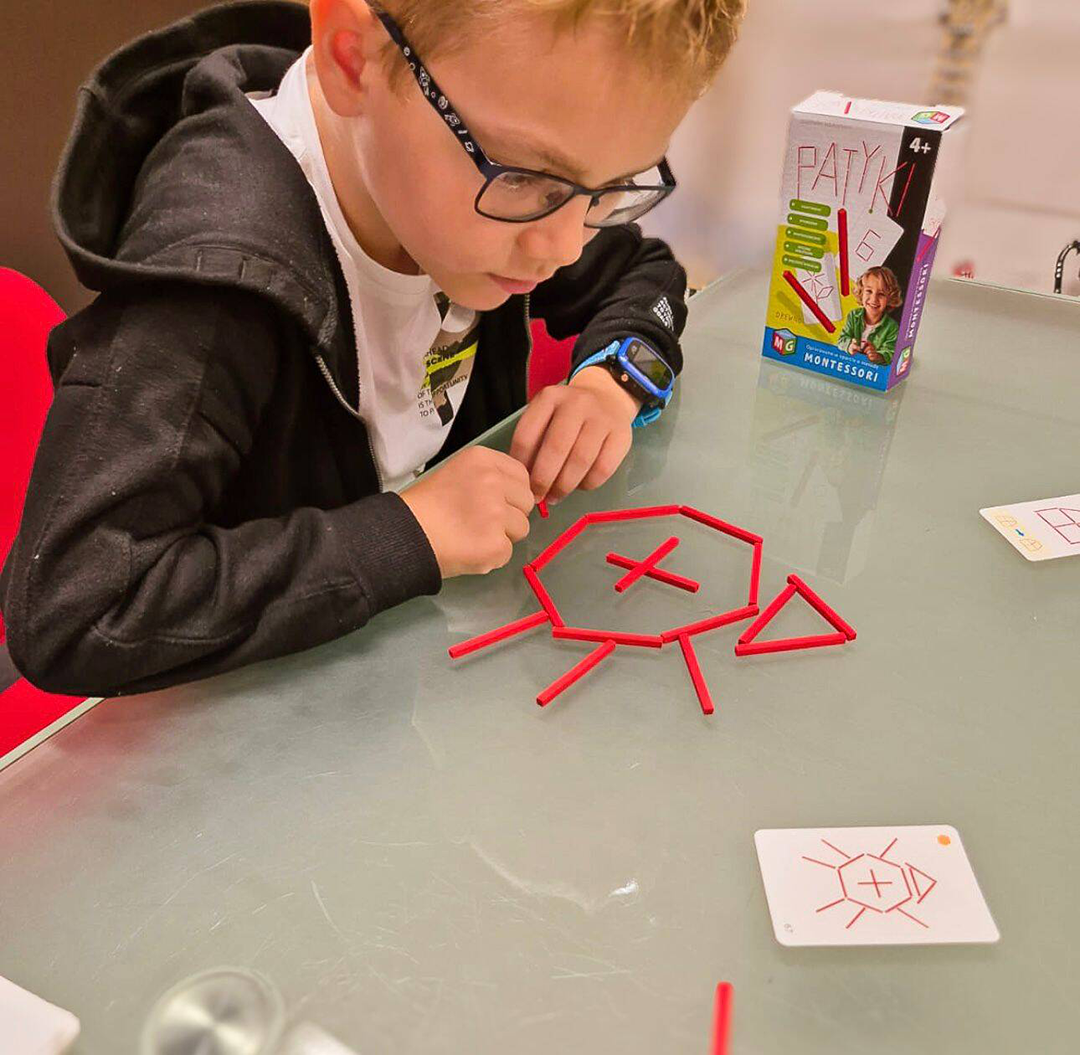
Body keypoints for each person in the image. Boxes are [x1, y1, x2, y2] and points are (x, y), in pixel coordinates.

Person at [1, 0, 745, 696]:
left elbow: (644, 273)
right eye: (524, 176)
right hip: (241, 720)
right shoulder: (211, 293)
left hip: (406, 666)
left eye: (611, 188)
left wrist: (613, 380)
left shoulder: (494, 187)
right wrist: (407, 534)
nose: (562, 246)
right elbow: (75, 608)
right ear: (352, 59)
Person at [838, 266, 902, 365]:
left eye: (881, 294)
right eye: (869, 291)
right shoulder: (853, 316)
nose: (874, 299)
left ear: (890, 298)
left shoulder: (892, 327)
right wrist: (849, 345)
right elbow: (842, 339)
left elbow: (890, 353)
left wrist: (877, 356)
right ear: (861, 292)